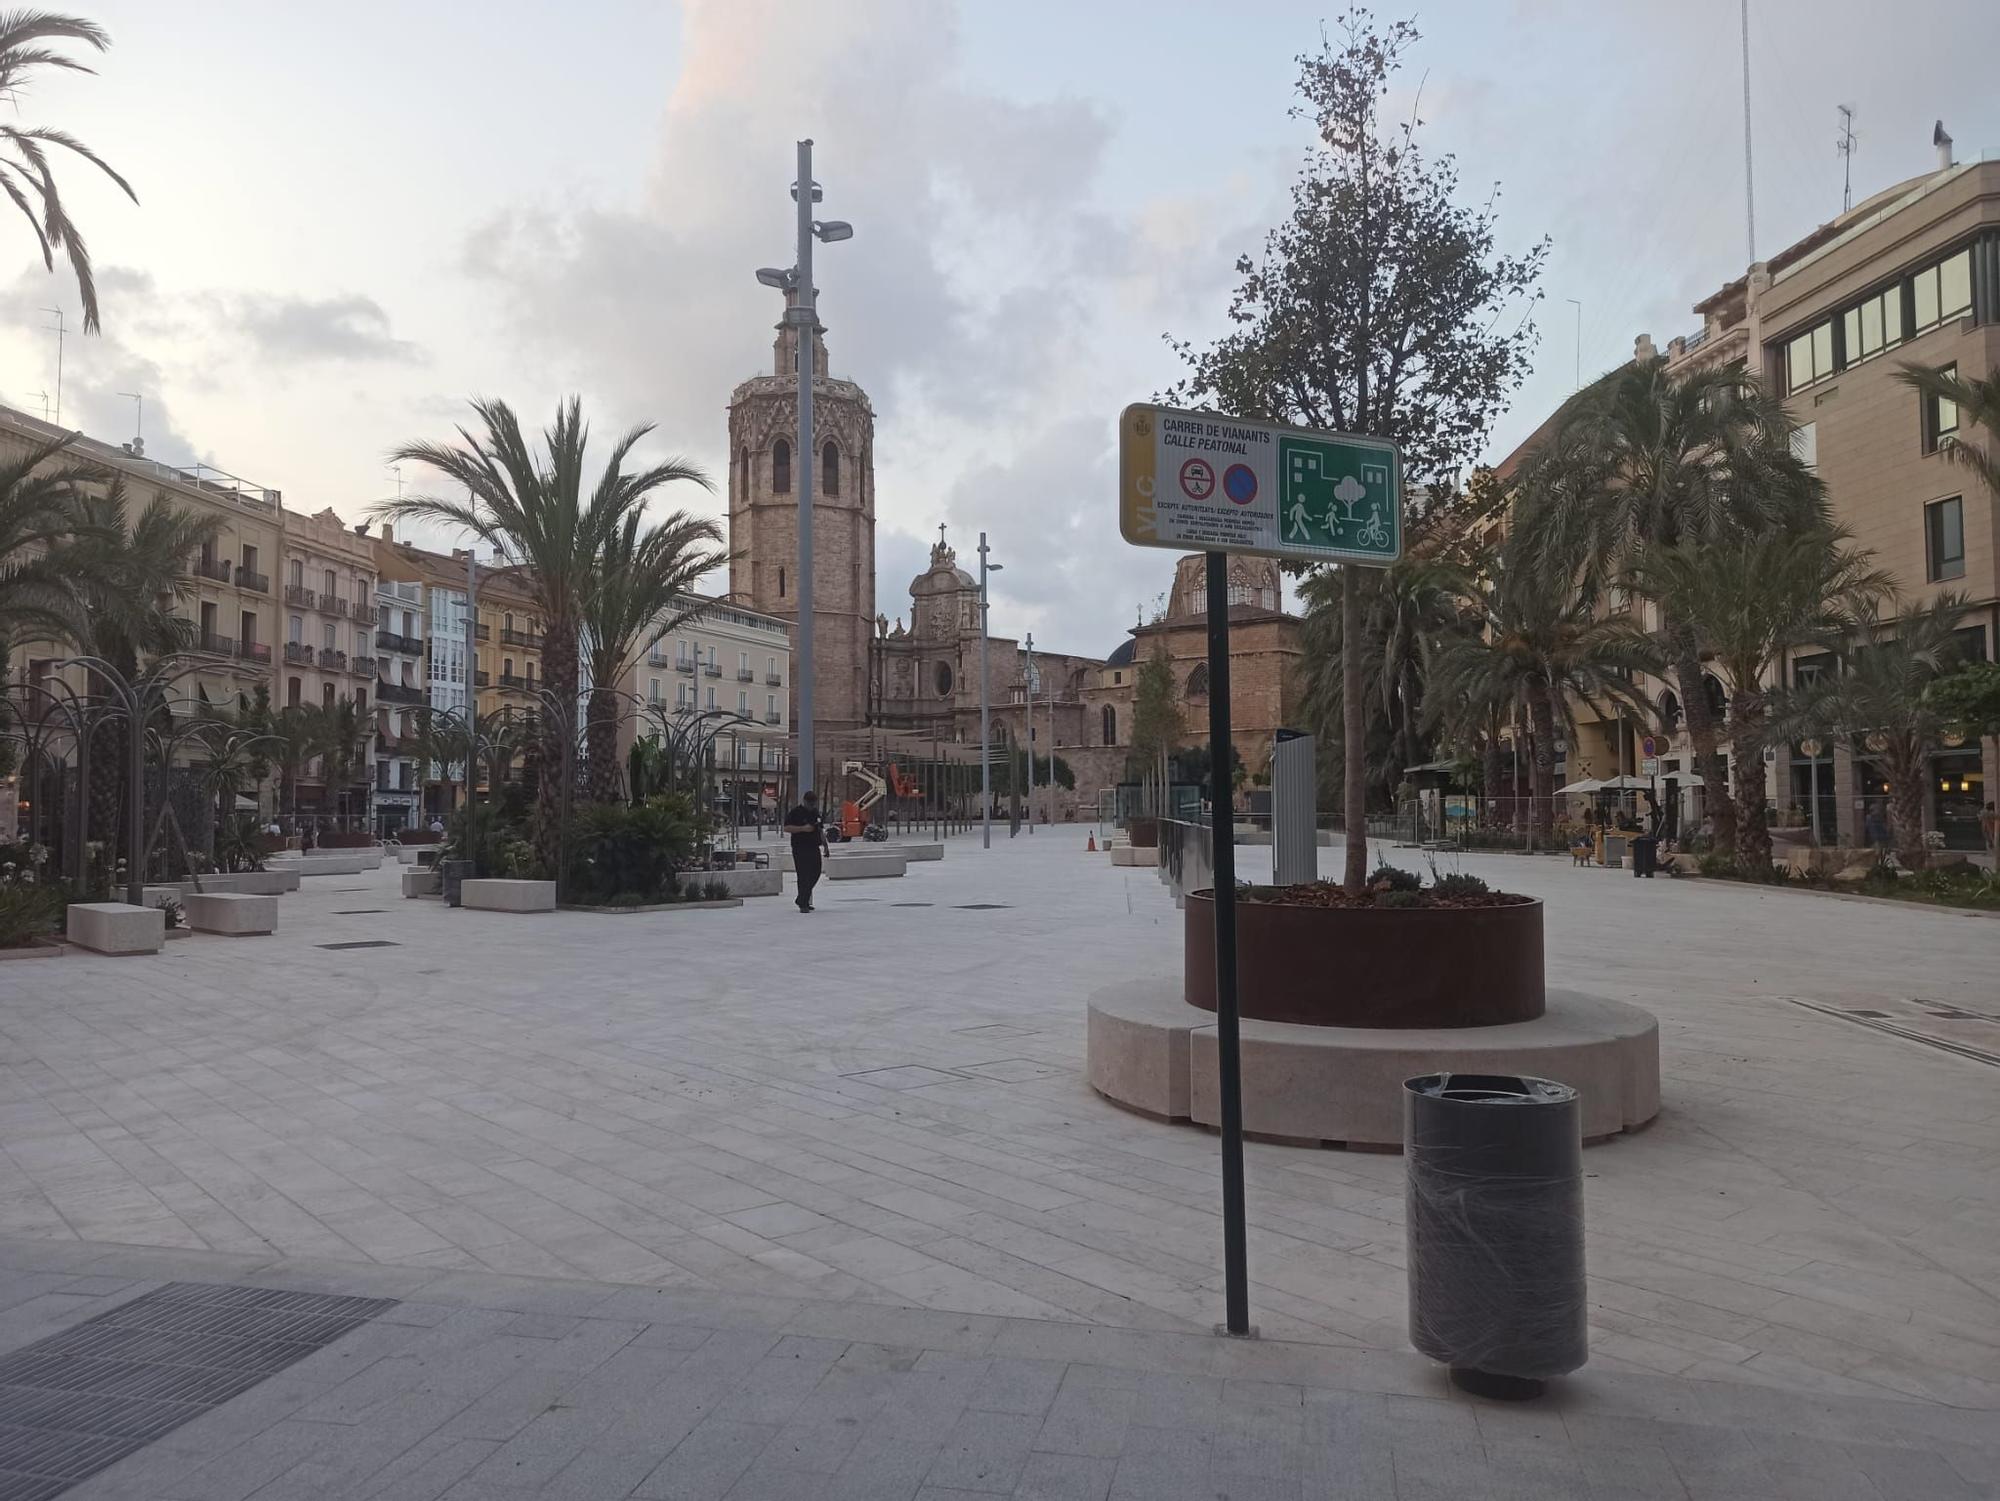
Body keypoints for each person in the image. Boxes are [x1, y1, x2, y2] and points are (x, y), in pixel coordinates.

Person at [781, 789, 830, 913]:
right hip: (800, 847)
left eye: (813, 804)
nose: (811, 806)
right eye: (810, 803)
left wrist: (825, 845)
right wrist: (802, 828)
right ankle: (803, 903)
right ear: (804, 801)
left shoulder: (815, 813)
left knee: (816, 872)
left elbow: (820, 830)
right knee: (803, 875)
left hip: (814, 847)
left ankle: (801, 899)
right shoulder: (796, 812)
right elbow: (786, 828)